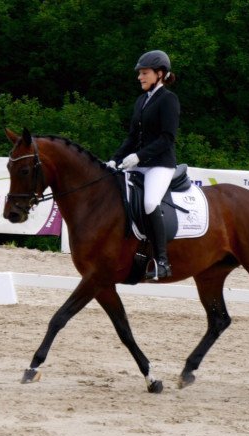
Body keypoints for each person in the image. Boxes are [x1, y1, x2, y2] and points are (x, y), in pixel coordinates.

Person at [108, 50, 180, 280]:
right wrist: (115, 159)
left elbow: (167, 138)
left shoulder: (168, 99)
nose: (140, 77)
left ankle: (162, 260)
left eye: (145, 73)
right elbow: (131, 137)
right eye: (139, 73)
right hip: (138, 163)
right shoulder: (141, 100)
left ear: (160, 74)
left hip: (160, 164)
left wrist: (139, 157)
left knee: (150, 202)